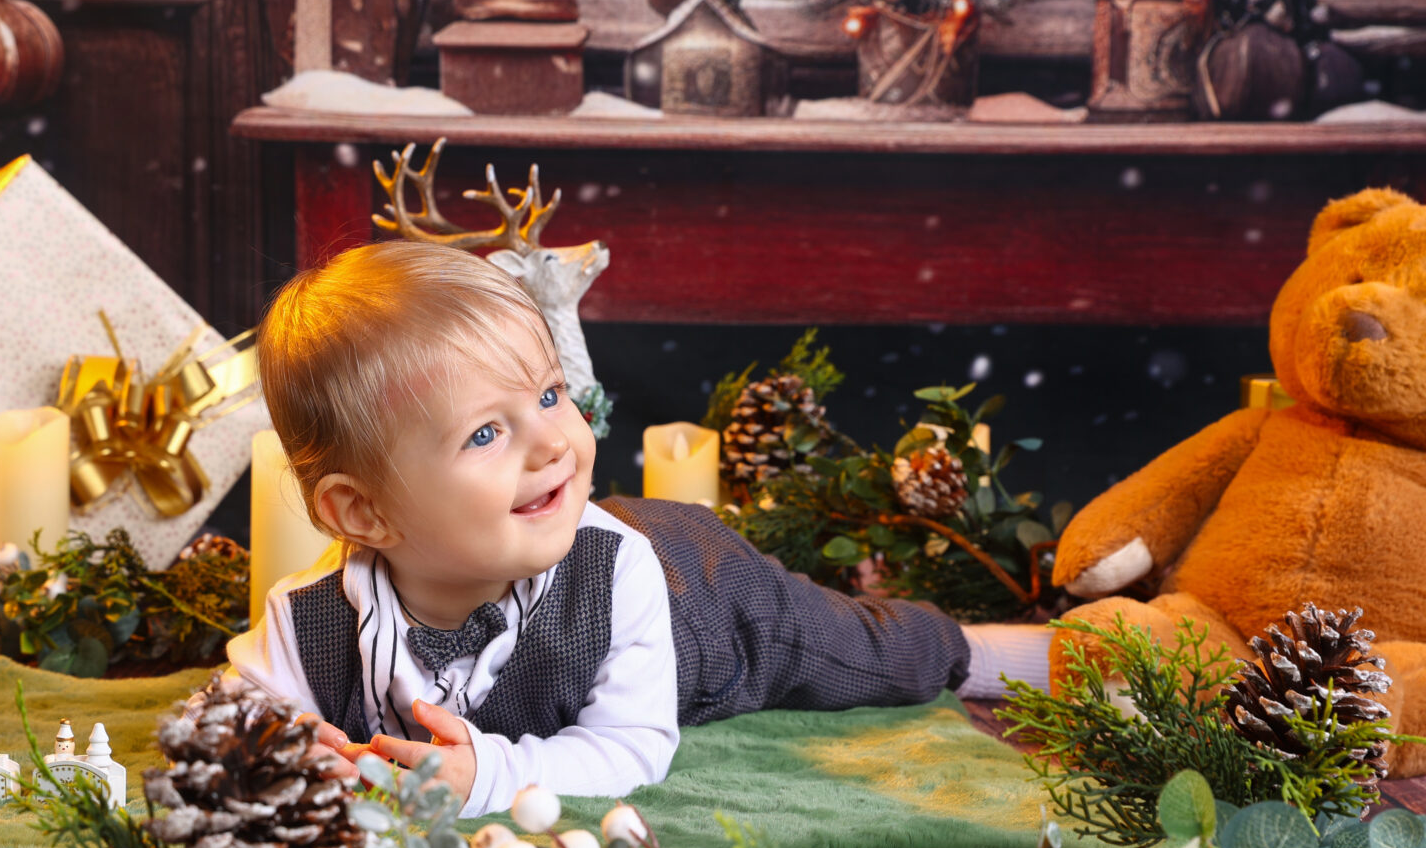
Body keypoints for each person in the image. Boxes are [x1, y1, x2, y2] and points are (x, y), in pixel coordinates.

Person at [225, 241, 1050, 816]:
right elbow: (224, 726)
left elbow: (629, 752)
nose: (555, 440)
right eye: (486, 433)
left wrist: (490, 777)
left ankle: (998, 650)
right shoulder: (308, 621)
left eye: (549, 396)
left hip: (701, 599)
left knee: (850, 648)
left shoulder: (618, 575)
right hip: (629, 576)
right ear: (361, 512)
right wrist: (287, 755)